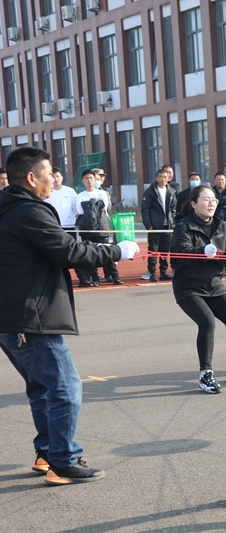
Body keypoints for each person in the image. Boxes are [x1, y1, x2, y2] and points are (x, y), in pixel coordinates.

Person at [0, 147, 139, 485]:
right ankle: (63, 460)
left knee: (41, 388)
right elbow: (70, 252)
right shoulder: (29, 212)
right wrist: (117, 250)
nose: (53, 179)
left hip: (13, 316)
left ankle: (48, 453)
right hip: (32, 318)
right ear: (31, 178)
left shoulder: (8, 209)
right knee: (65, 386)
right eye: (49, 173)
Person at [171, 185, 226, 393]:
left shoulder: (221, 225)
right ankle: (205, 373)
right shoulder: (183, 226)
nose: (211, 203)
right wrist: (202, 251)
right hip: (188, 288)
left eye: (214, 200)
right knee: (207, 322)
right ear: (193, 204)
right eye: (206, 199)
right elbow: (181, 253)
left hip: (215, 285)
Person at [75, 170, 121, 286]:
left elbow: (104, 207)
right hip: (86, 229)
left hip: (102, 227)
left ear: (95, 179)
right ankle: (95, 278)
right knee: (89, 254)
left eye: (91, 178)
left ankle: (115, 276)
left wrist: (88, 205)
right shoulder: (80, 196)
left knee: (107, 252)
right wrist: (95, 204)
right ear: (83, 181)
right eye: (86, 178)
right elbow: (79, 211)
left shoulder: (102, 193)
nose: (89, 180)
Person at [141, 168, 177, 283]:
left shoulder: (171, 191)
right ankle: (152, 272)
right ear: (157, 178)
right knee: (153, 250)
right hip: (155, 226)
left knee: (165, 250)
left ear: (168, 178)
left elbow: (174, 209)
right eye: (161, 177)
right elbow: (145, 209)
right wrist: (148, 225)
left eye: (165, 177)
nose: (163, 179)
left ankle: (163, 272)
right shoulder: (150, 191)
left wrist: (173, 223)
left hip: (168, 226)